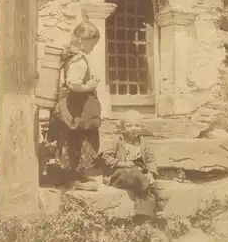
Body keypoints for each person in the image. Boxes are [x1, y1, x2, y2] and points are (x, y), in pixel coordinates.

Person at [47, 20, 102, 184]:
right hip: (77, 108)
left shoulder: (73, 57)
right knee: (78, 137)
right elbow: (73, 83)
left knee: (75, 137)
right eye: (92, 44)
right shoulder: (78, 59)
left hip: (77, 107)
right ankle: (73, 177)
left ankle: (75, 174)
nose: (92, 48)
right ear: (81, 40)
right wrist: (89, 86)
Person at [102, 111, 168, 218]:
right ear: (122, 127)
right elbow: (106, 158)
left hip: (138, 175)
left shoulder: (143, 143)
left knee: (140, 183)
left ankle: (143, 214)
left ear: (141, 127)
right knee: (134, 174)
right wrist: (122, 164)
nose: (133, 128)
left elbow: (151, 159)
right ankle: (156, 194)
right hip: (120, 174)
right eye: (129, 126)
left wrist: (151, 173)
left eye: (137, 125)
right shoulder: (117, 141)